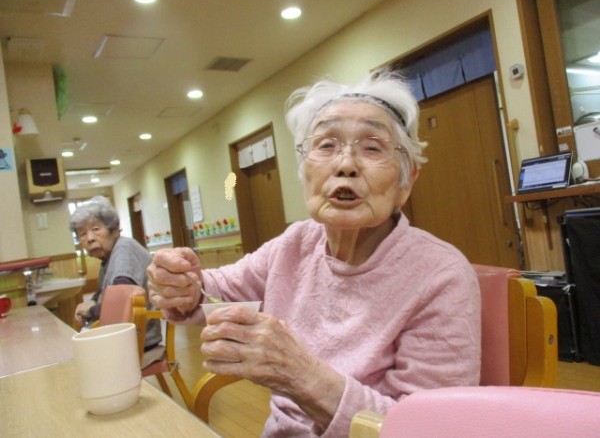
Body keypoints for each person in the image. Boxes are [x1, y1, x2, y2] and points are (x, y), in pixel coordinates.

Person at [147, 69, 481, 437]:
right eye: (326, 145)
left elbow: (428, 429)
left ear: (407, 180)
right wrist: (184, 284)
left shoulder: (440, 274)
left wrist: (299, 374)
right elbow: (218, 288)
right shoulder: (296, 243)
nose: (346, 164)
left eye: (372, 147)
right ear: (303, 170)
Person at [71, 196, 162, 356]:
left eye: (96, 229)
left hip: (136, 342)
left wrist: (90, 311)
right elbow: (104, 291)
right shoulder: (108, 257)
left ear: (114, 229)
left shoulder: (123, 251)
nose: (90, 238)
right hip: (122, 338)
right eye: (82, 234)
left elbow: (121, 305)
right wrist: (93, 301)